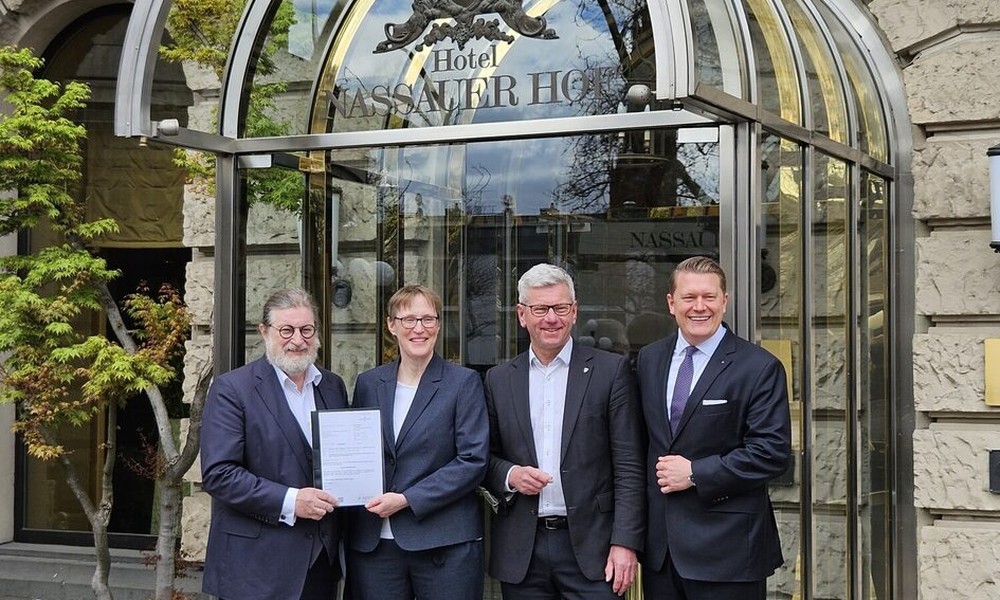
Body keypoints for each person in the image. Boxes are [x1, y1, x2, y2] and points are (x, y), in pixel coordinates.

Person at [483, 263, 645, 599]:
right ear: (521, 314)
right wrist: (511, 475)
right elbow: (484, 457)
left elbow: (629, 465)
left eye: (560, 308)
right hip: (522, 551)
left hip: (594, 549)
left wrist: (625, 542)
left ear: (574, 312)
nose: (551, 319)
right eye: (540, 309)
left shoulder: (610, 371)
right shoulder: (498, 379)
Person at [635, 256, 792, 600]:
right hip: (661, 552)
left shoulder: (759, 367)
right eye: (689, 297)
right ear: (671, 303)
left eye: (709, 297)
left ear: (724, 301)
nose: (699, 307)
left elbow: (772, 453)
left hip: (728, 551)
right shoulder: (649, 359)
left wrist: (696, 473)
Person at [200, 288, 348, 600]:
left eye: (306, 329)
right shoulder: (232, 390)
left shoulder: (332, 386)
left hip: (320, 566)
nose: (298, 340)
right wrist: (292, 501)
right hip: (254, 570)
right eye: (287, 330)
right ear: (264, 332)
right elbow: (219, 474)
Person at [347, 284, 489, 600]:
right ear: (391, 325)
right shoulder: (369, 383)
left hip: (443, 542)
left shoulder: (463, 383)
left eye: (428, 319)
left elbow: (473, 461)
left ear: (438, 325)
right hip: (375, 545)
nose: (419, 329)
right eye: (409, 320)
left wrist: (407, 499)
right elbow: (359, 453)